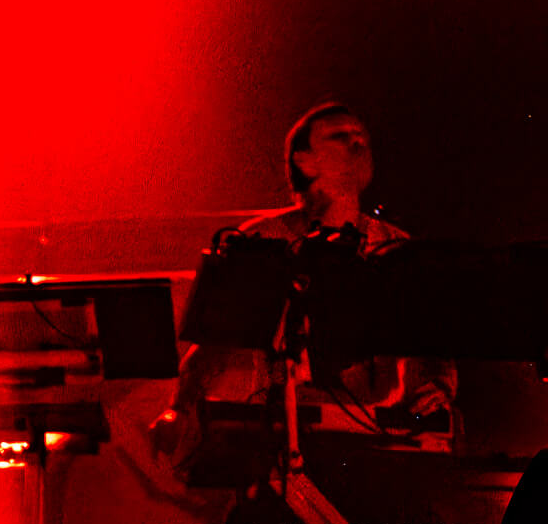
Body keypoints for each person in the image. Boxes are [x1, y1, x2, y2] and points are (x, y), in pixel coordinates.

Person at [151, 101, 455, 456]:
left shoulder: (397, 247)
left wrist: (438, 388)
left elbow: (431, 345)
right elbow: (211, 346)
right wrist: (179, 408)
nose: (357, 143)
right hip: (284, 432)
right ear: (304, 161)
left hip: (381, 435)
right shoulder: (262, 240)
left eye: (361, 137)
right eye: (340, 136)